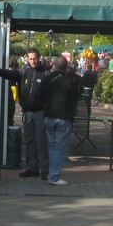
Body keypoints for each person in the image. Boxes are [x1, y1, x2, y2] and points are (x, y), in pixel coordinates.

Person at [0, 47, 48, 180]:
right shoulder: (23, 71)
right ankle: (32, 168)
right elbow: (9, 74)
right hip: (27, 112)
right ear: (27, 58)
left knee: (41, 141)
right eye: (31, 59)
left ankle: (45, 169)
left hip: (39, 112)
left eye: (35, 59)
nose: (33, 61)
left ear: (39, 58)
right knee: (30, 140)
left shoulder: (45, 73)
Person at [40, 57, 82, 186]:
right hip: (64, 116)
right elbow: (77, 96)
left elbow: (39, 94)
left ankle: (51, 173)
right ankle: (54, 176)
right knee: (60, 147)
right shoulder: (69, 82)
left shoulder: (46, 79)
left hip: (49, 115)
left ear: (54, 65)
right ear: (66, 67)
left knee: (52, 146)